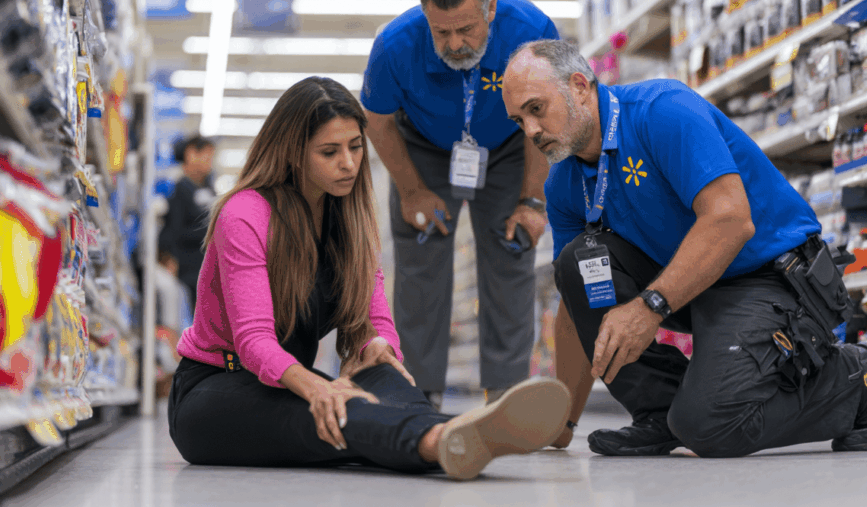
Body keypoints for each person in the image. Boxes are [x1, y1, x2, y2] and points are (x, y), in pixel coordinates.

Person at [500, 39, 867, 458]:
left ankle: (855, 380)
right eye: (519, 120)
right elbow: (574, 304)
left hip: (769, 277)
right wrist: (564, 421)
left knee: (711, 427)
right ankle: (659, 412)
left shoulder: (662, 111)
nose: (531, 131)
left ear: (579, 86)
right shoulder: (564, 183)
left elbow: (731, 221)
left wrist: (649, 306)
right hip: (696, 287)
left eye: (536, 109)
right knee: (578, 263)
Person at [167, 76, 571, 480]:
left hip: (284, 384)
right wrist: (320, 388)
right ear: (292, 154)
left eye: (356, 146)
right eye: (329, 152)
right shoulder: (245, 214)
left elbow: (374, 320)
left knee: (378, 374)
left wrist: (379, 347)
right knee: (340, 413)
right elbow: (254, 342)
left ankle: (454, 434)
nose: (348, 163)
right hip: (214, 392)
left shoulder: (348, 218)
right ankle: (441, 436)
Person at [361, 0, 559, 409]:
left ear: (491, 9)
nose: (454, 44)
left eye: (466, 29)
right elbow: (377, 120)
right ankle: (417, 396)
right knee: (421, 260)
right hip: (423, 148)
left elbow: (542, 115)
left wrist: (532, 200)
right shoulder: (395, 46)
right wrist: (412, 190)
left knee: (511, 252)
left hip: (509, 145)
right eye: (441, 32)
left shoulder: (531, 31)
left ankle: (506, 397)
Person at [159, 135, 217, 308]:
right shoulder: (179, 188)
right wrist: (170, 258)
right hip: (188, 268)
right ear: (191, 154)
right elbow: (173, 229)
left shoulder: (209, 188)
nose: (210, 161)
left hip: (208, 266)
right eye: (207, 155)